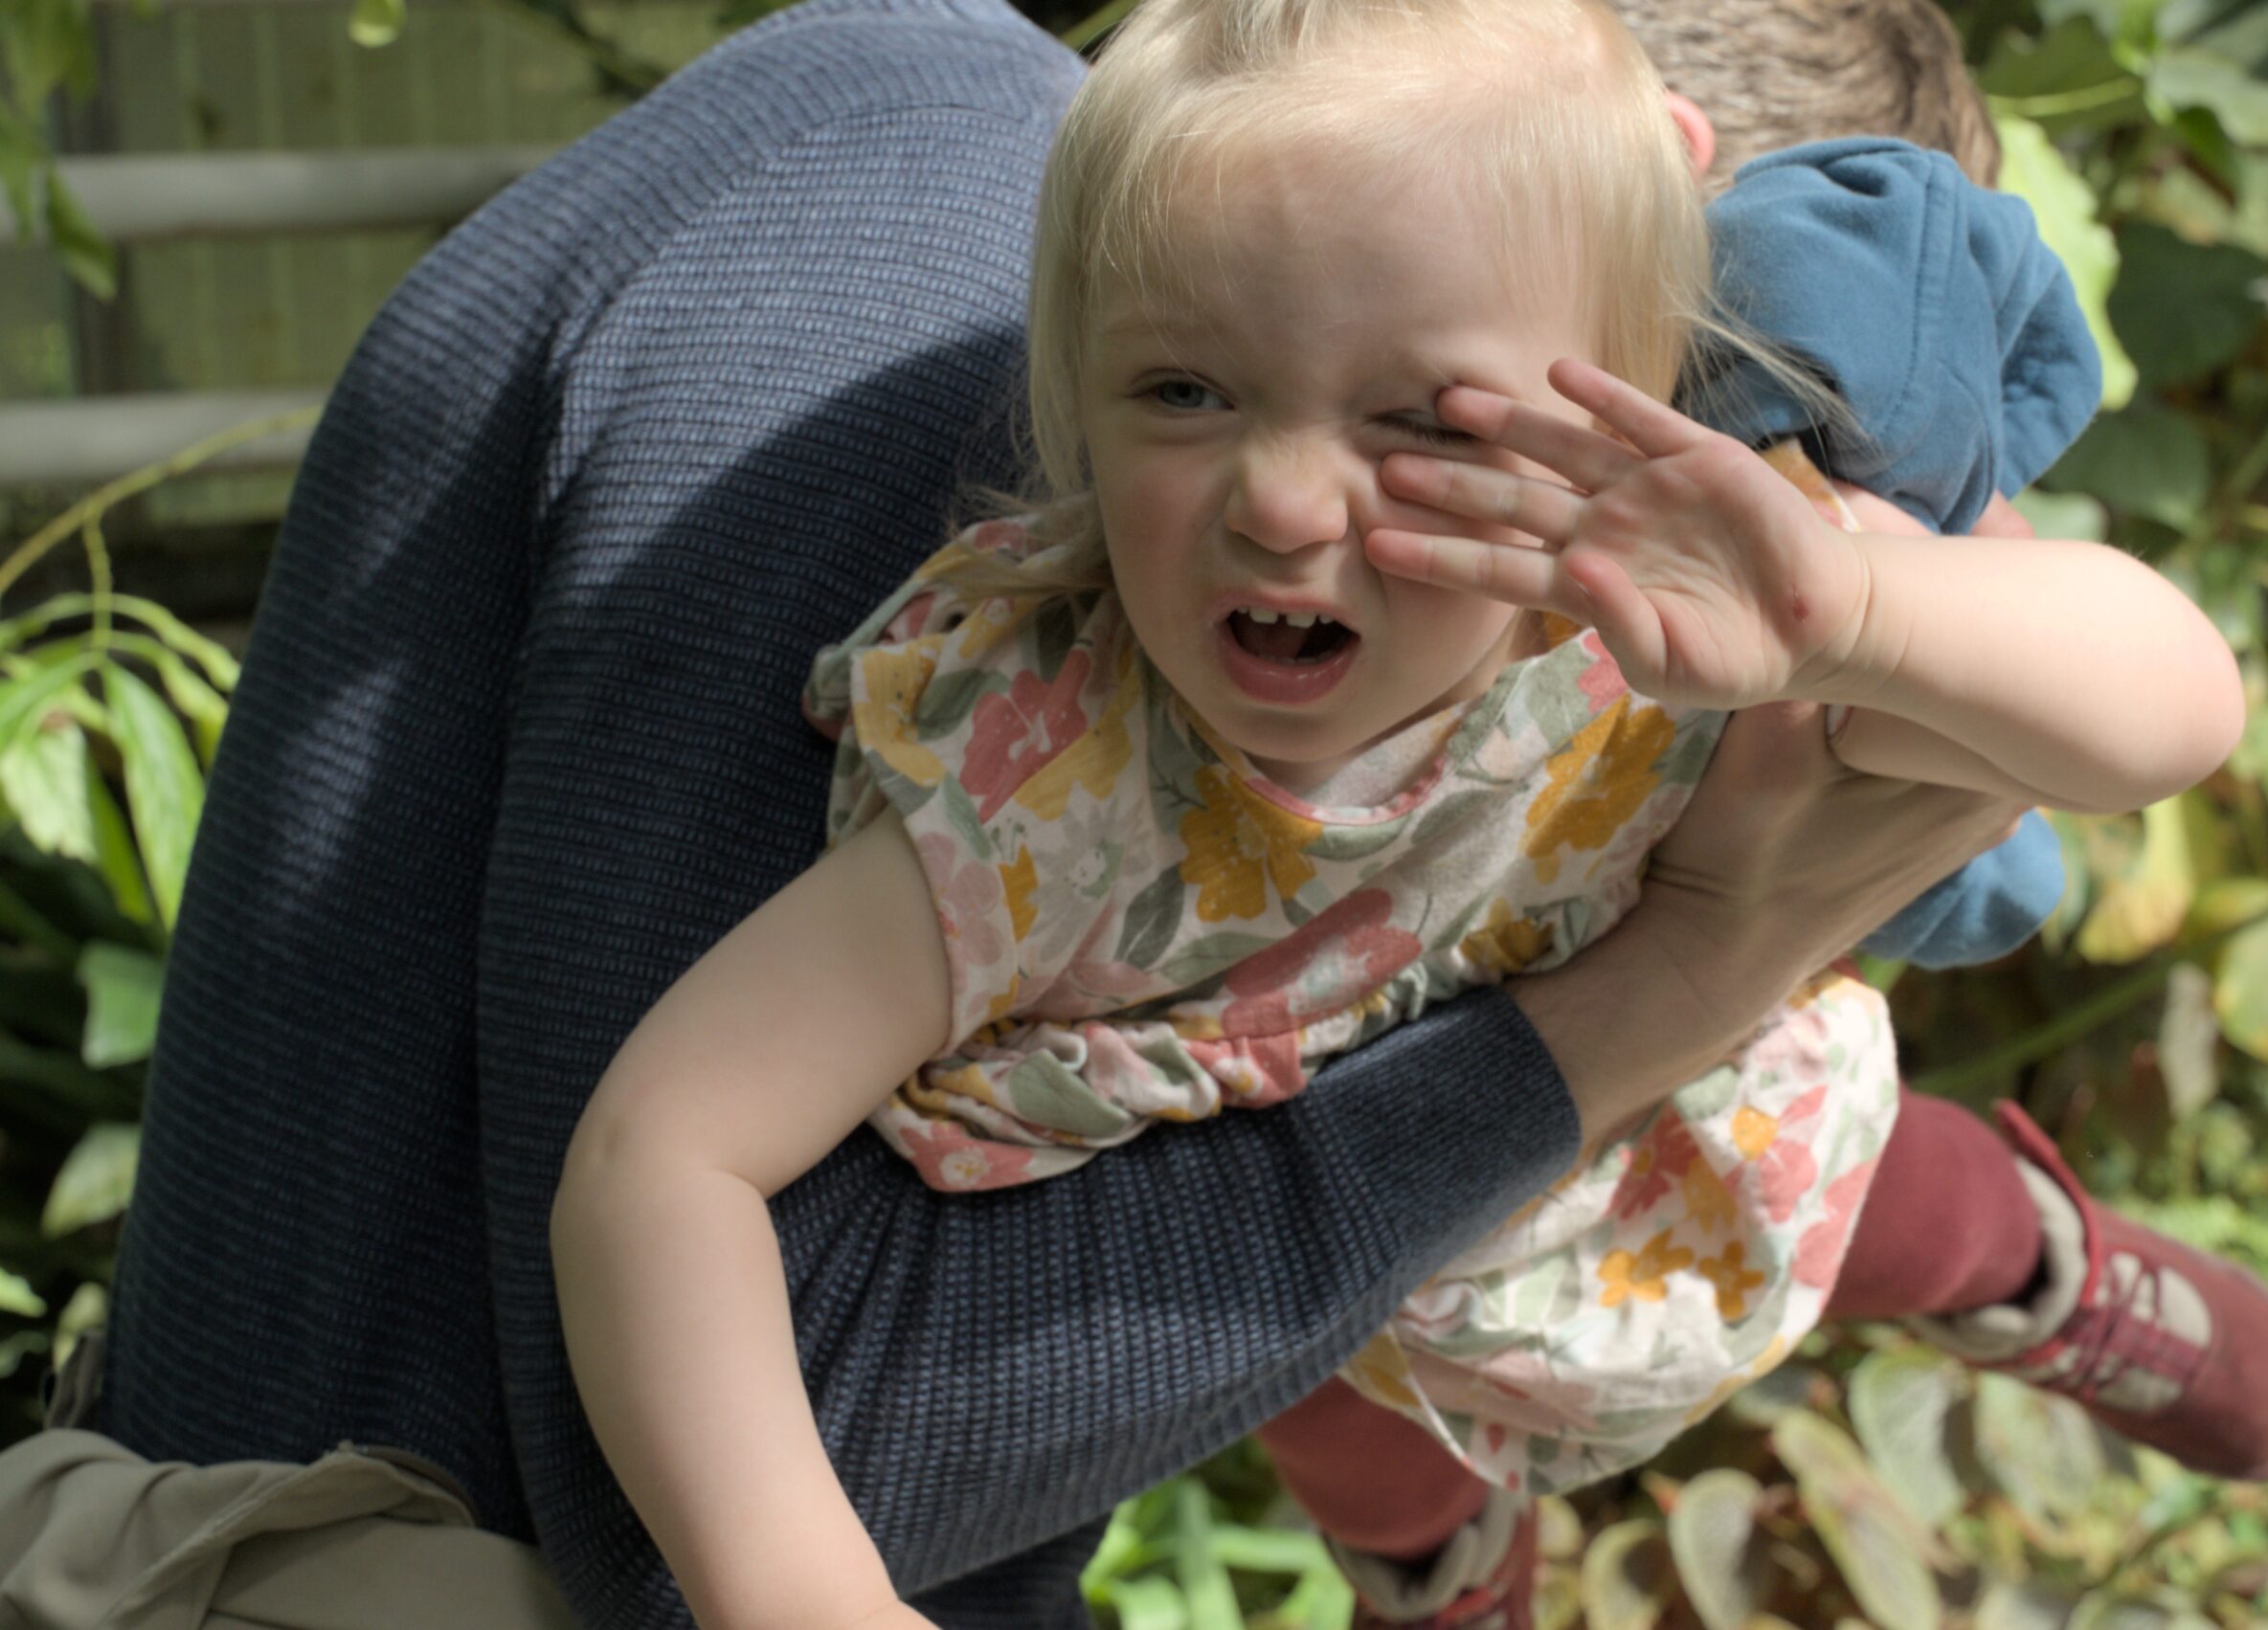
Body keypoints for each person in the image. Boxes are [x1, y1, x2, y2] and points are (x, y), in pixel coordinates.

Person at [13, 4, 2033, 1627]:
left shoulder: (1069, 315)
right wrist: (1677, 980)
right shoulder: (924, 294)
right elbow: (721, 1500)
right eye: (1753, 440)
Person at [547, 4, 2268, 1629]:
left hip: (1688, 1135)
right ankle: (1441, 1574)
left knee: (1892, 1200)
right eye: (1182, 391)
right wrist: (797, 1586)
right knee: (1334, 1407)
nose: (1278, 495)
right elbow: (665, 1156)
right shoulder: (1046, 797)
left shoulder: (1672, 596)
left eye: (1421, 417)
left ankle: (2035, 1268)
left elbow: (2173, 709)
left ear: (1634, 378)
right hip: (1355, 1285)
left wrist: (1855, 612)